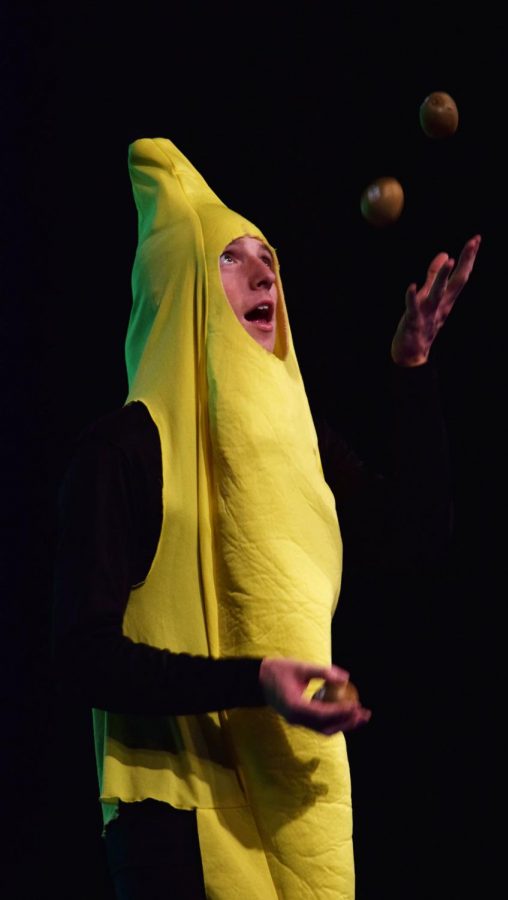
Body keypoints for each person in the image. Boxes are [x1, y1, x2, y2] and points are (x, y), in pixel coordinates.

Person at [52, 137, 481, 899]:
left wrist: (413, 370)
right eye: (228, 257)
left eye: (267, 257)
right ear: (178, 282)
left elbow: (416, 532)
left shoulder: (300, 443)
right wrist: (255, 682)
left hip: (291, 793)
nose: (262, 273)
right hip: (171, 815)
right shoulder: (123, 448)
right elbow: (83, 655)